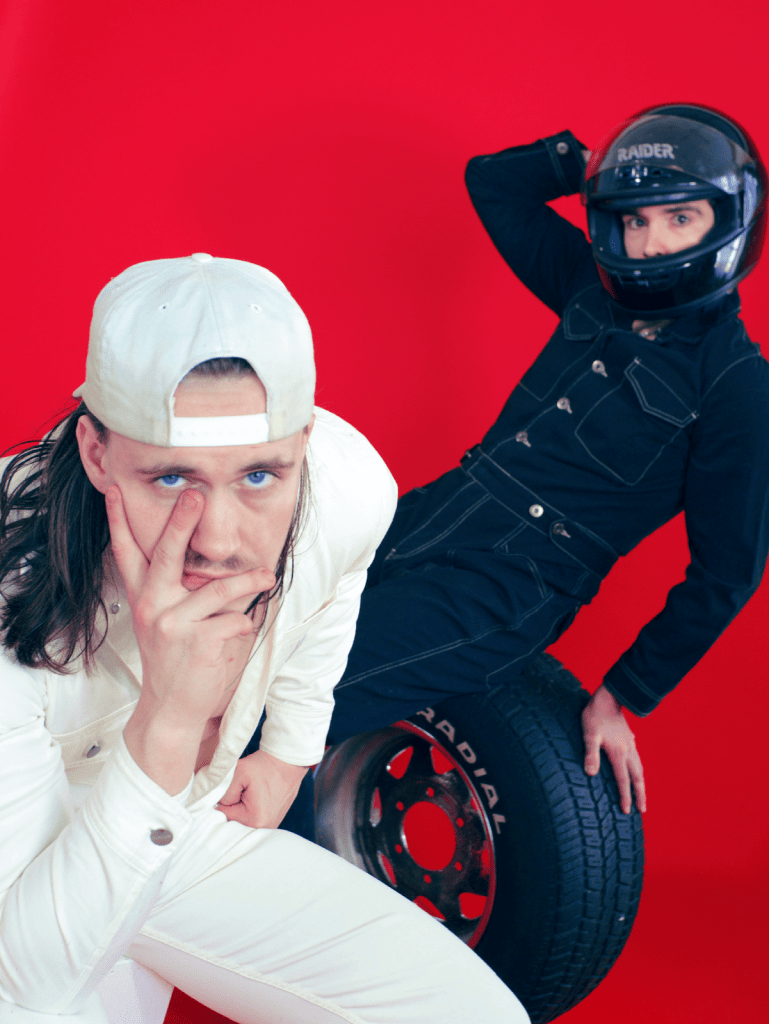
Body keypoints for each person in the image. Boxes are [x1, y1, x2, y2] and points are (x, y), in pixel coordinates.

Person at [0, 254, 528, 1023]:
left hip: (178, 817)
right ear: (97, 454)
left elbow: (336, 588)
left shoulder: (346, 488)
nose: (217, 540)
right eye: (170, 479)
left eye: (257, 477)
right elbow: (25, 977)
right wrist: (170, 720)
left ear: (303, 446)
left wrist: (289, 750)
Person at [238, 102, 769, 828]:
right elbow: (492, 184)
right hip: (436, 509)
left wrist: (624, 694)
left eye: (679, 218)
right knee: (242, 639)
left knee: (291, 702)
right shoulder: (590, 286)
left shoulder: (736, 384)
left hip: (515, 579)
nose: (648, 244)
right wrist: (590, 165)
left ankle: (223, 872)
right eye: (632, 219)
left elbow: (727, 572)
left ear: (729, 223)